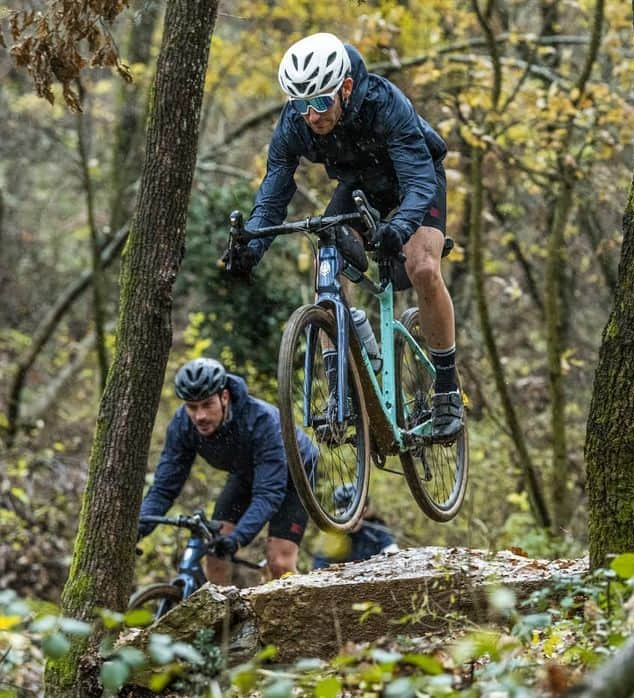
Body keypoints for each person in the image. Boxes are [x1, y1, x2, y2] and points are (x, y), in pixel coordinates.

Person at [225, 31, 463, 442]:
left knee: (421, 265)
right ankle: (346, 389)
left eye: (320, 102)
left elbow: (418, 179)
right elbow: (274, 190)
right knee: (327, 263)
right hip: (360, 186)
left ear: (346, 88)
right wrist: (254, 244)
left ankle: (447, 388)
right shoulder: (294, 126)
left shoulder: (384, 104)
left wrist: (401, 228)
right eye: (301, 105)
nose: (312, 115)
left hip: (416, 180)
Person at [137, 358, 317, 583]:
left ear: (224, 397)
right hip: (244, 472)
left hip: (295, 473)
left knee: (279, 562)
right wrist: (139, 526)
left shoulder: (262, 421)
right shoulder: (183, 425)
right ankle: (222, 615)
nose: (199, 416)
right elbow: (164, 489)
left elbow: (269, 494)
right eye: (192, 407)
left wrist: (238, 538)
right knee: (215, 556)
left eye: (207, 405)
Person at [312, 485, 398, 569]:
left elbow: (393, 553)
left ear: (364, 510)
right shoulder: (331, 535)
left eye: (355, 513)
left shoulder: (376, 530)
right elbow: (319, 567)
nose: (351, 519)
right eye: (344, 513)